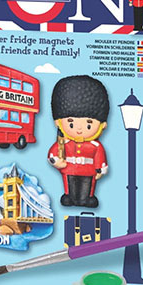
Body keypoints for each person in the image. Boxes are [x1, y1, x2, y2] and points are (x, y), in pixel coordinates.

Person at [48, 75, 109, 208]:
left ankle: (87, 198)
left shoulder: (95, 145)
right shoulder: (64, 142)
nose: (79, 129)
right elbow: (53, 153)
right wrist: (56, 161)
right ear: (58, 122)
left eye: (88, 124)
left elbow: (99, 156)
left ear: (102, 125)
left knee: (87, 186)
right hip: (69, 168)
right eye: (71, 123)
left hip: (88, 170)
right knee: (69, 185)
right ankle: (69, 196)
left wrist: (100, 169)